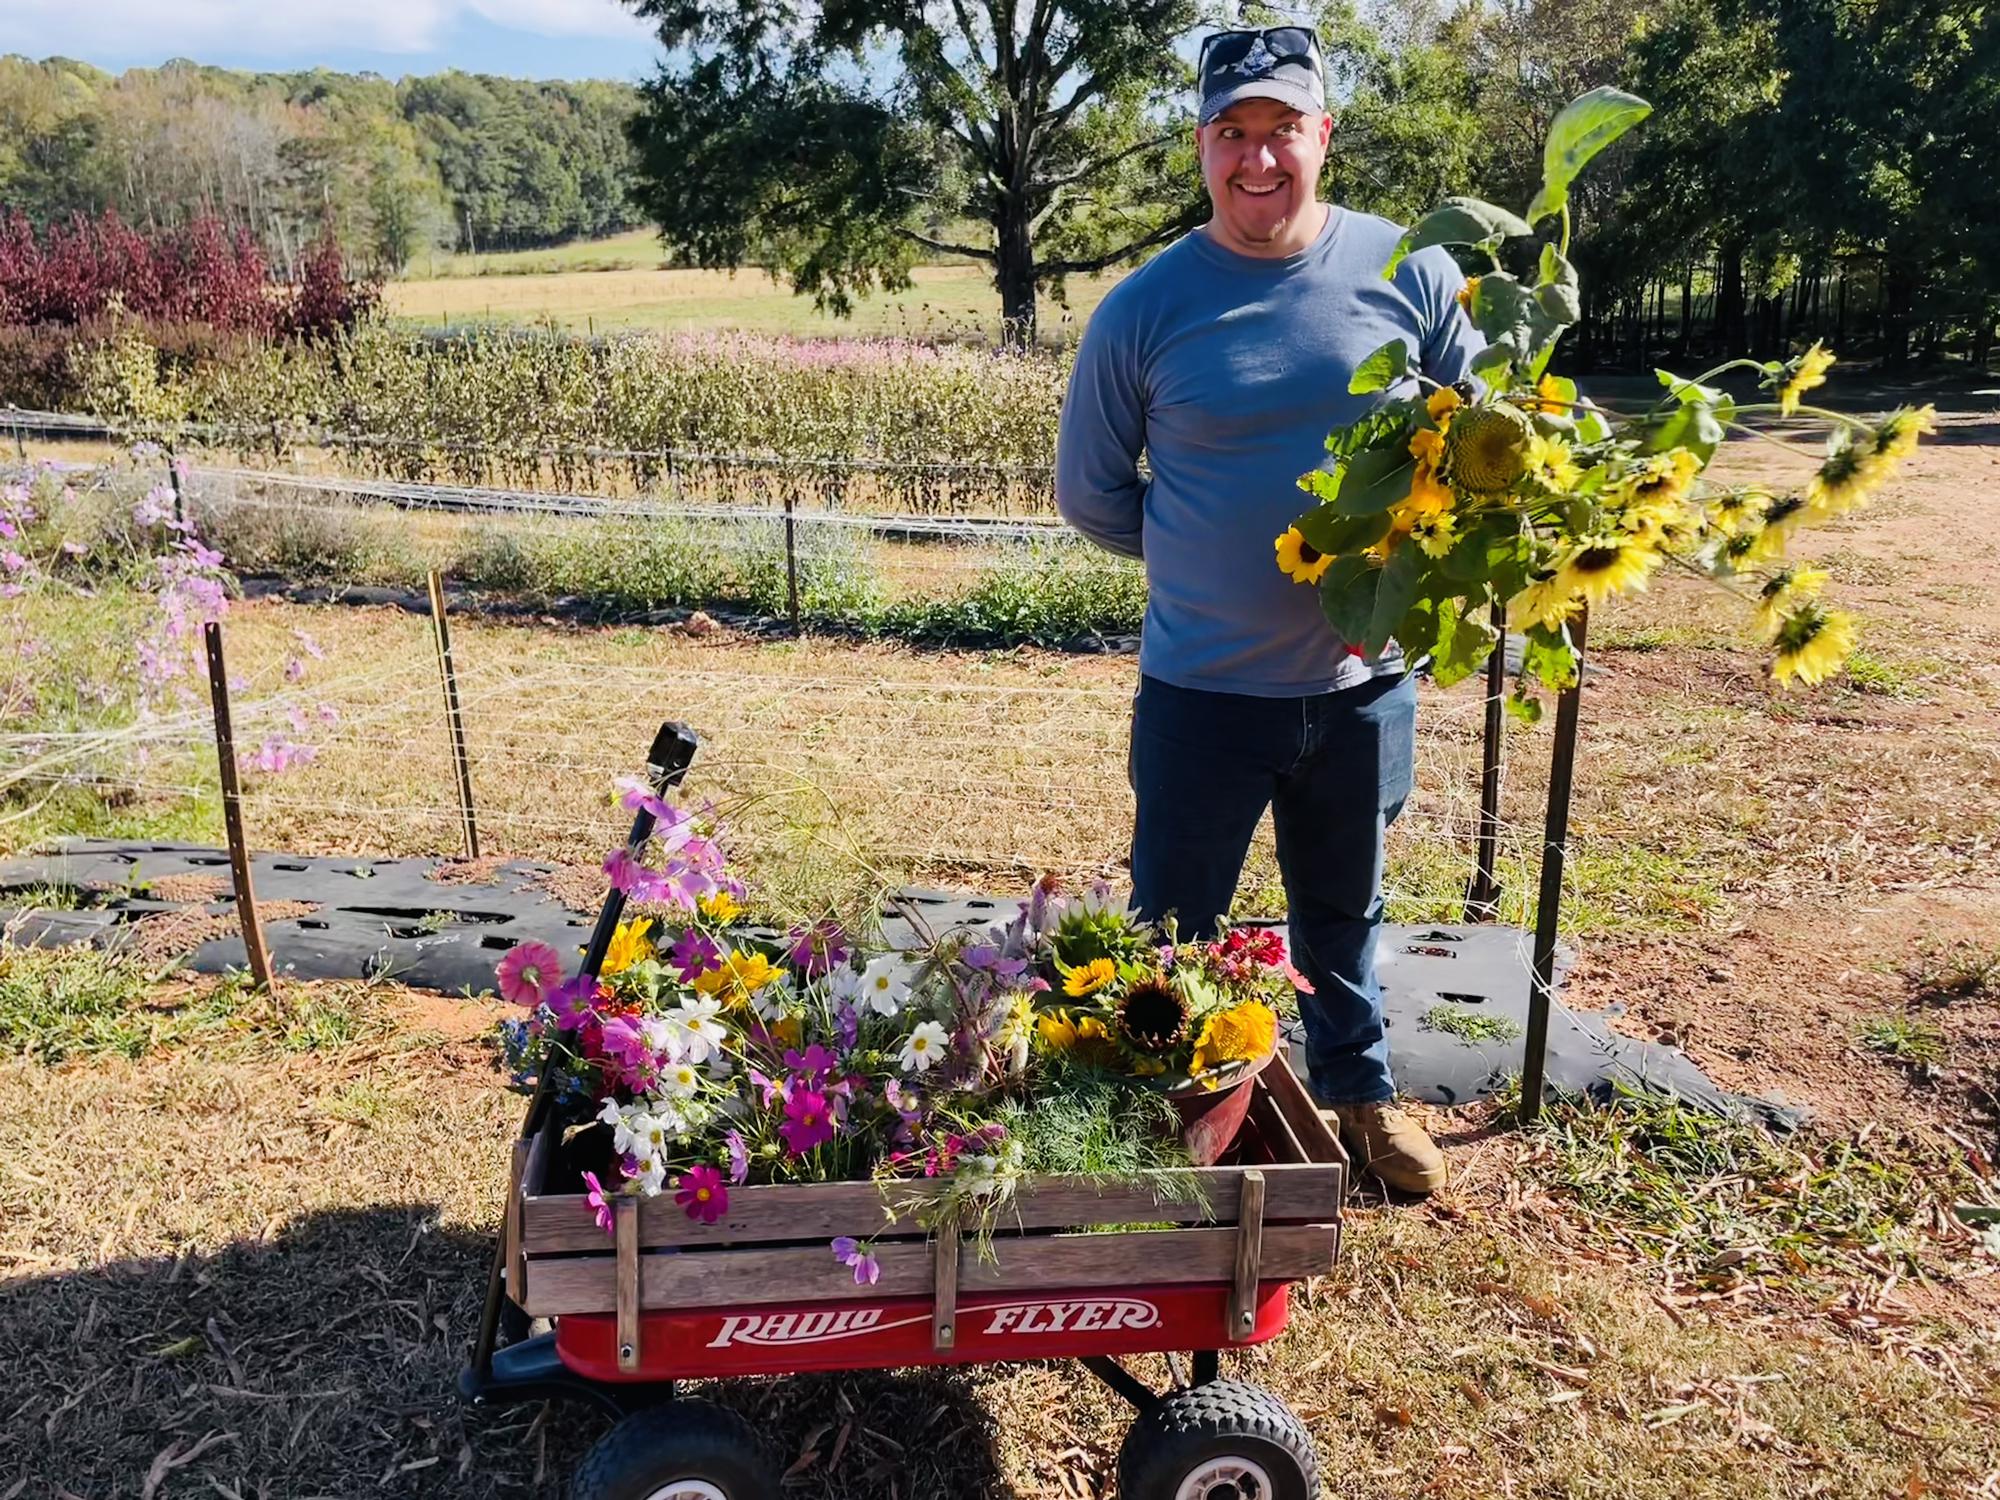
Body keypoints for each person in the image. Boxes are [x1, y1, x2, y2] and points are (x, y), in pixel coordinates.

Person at [1053, 25, 1487, 1195]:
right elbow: (1091, 493)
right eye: (1231, 133)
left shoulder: (1414, 274)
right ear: (1200, 146)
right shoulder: (1143, 309)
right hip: (1200, 690)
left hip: (1360, 688)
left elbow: (1482, 450)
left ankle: (1362, 1100)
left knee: (1342, 908)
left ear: (1321, 136)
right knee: (1169, 926)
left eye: (1279, 131)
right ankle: (1151, 1117)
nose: (1256, 159)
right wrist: (1205, 558)